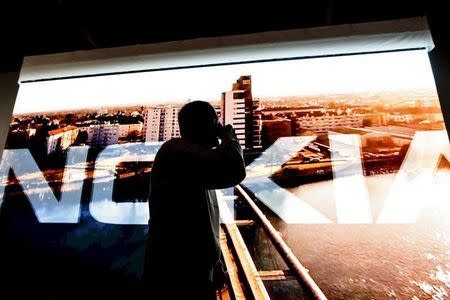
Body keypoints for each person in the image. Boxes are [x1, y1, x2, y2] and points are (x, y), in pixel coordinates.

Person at [143, 100, 246, 299]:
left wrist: (215, 264)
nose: (216, 130)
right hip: (177, 278)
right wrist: (228, 134)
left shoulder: (195, 162)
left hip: (192, 274)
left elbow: (202, 220)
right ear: (202, 126)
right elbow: (234, 169)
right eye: (213, 123)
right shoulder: (175, 152)